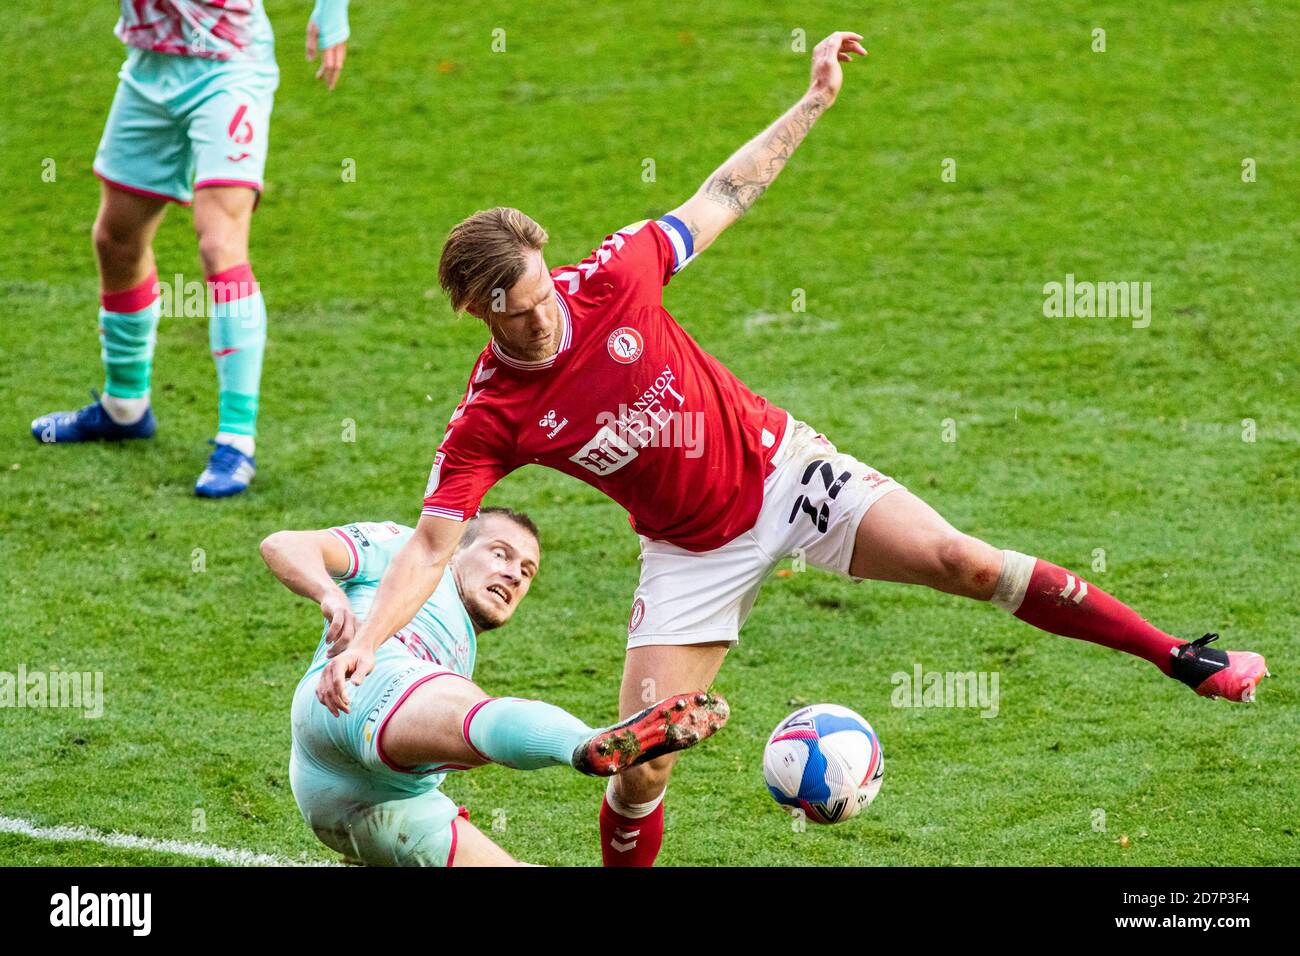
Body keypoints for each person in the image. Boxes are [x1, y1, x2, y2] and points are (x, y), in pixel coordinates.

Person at [316, 31, 1268, 867]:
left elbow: (723, 192)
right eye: (517, 317)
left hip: (785, 472)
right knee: (641, 766)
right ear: (479, 315)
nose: (544, 322)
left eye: (543, 297)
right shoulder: (490, 416)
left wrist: (810, 101)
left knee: (964, 561)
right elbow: (434, 544)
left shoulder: (611, 277)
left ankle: (1178, 654)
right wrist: (365, 639)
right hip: (691, 553)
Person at [263, 508, 728, 866]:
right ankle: (587, 743)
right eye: (501, 554)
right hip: (348, 693)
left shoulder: (461, 650)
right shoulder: (405, 548)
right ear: (455, 549)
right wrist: (331, 595)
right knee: (470, 712)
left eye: (526, 571)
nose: (513, 574)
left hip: (365, 801)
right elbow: (283, 544)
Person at [31, 1, 352, 498]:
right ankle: (124, 407)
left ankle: (236, 442)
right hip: (148, 65)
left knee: (219, 243)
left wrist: (332, 11)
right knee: (115, 241)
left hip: (229, 64)